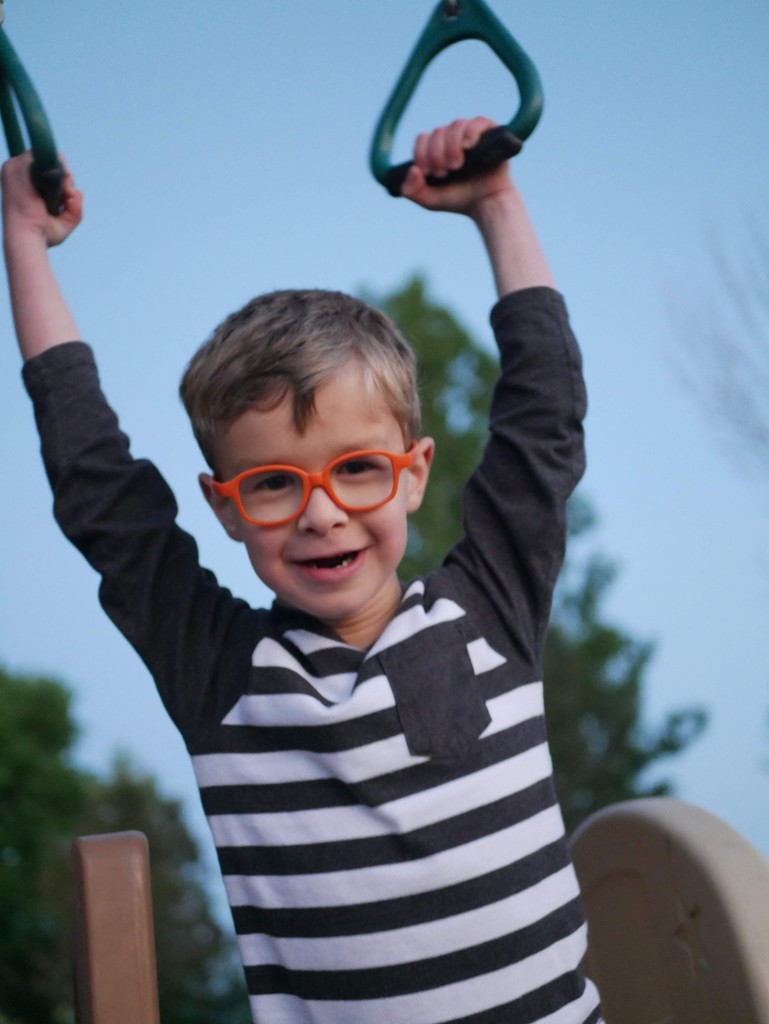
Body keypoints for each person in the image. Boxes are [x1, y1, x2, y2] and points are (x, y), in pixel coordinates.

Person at [3, 117, 603, 1023]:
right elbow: (97, 487)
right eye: (275, 483)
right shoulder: (219, 674)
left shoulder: (490, 611)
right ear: (225, 505)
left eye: (356, 467)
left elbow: (544, 411)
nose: (323, 512)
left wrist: (496, 204)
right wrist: (23, 246)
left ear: (414, 473)